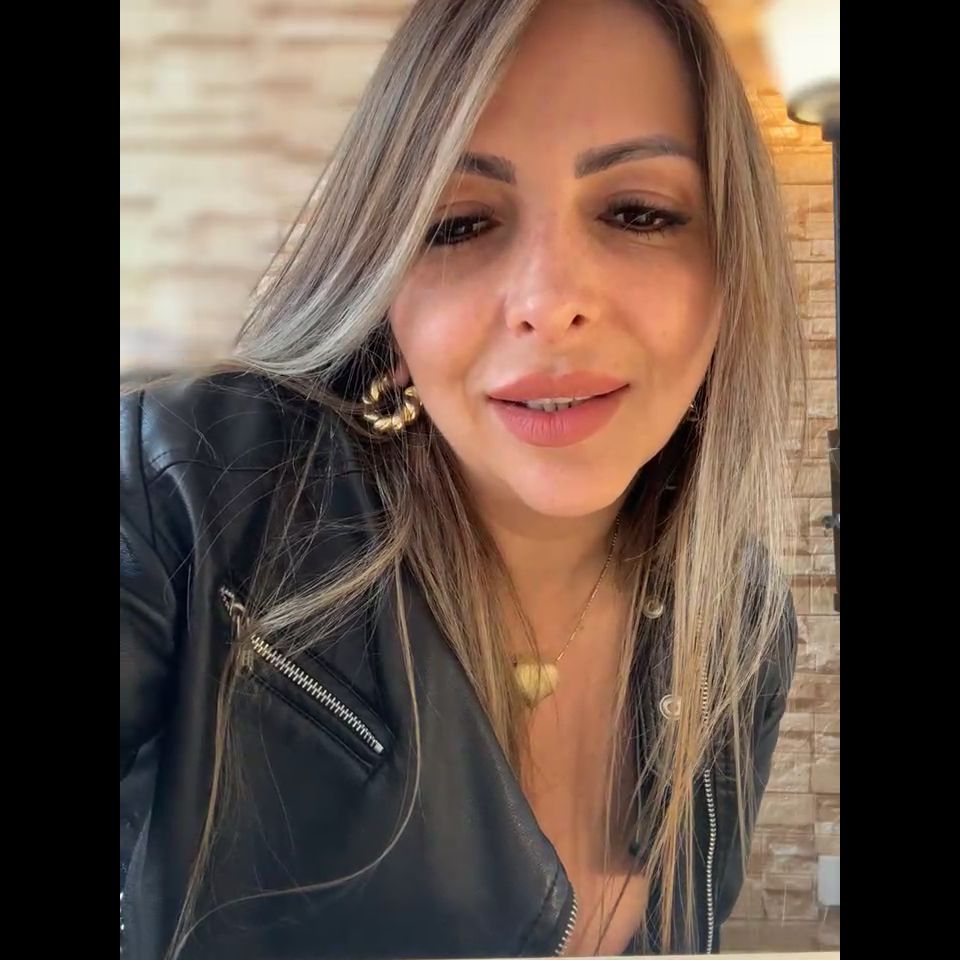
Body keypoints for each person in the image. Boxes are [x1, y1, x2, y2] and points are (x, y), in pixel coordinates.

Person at [120, 0, 801, 956]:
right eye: (460, 223)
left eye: (638, 213)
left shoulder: (743, 622)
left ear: (729, 270)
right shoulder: (190, 498)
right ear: (384, 289)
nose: (549, 303)